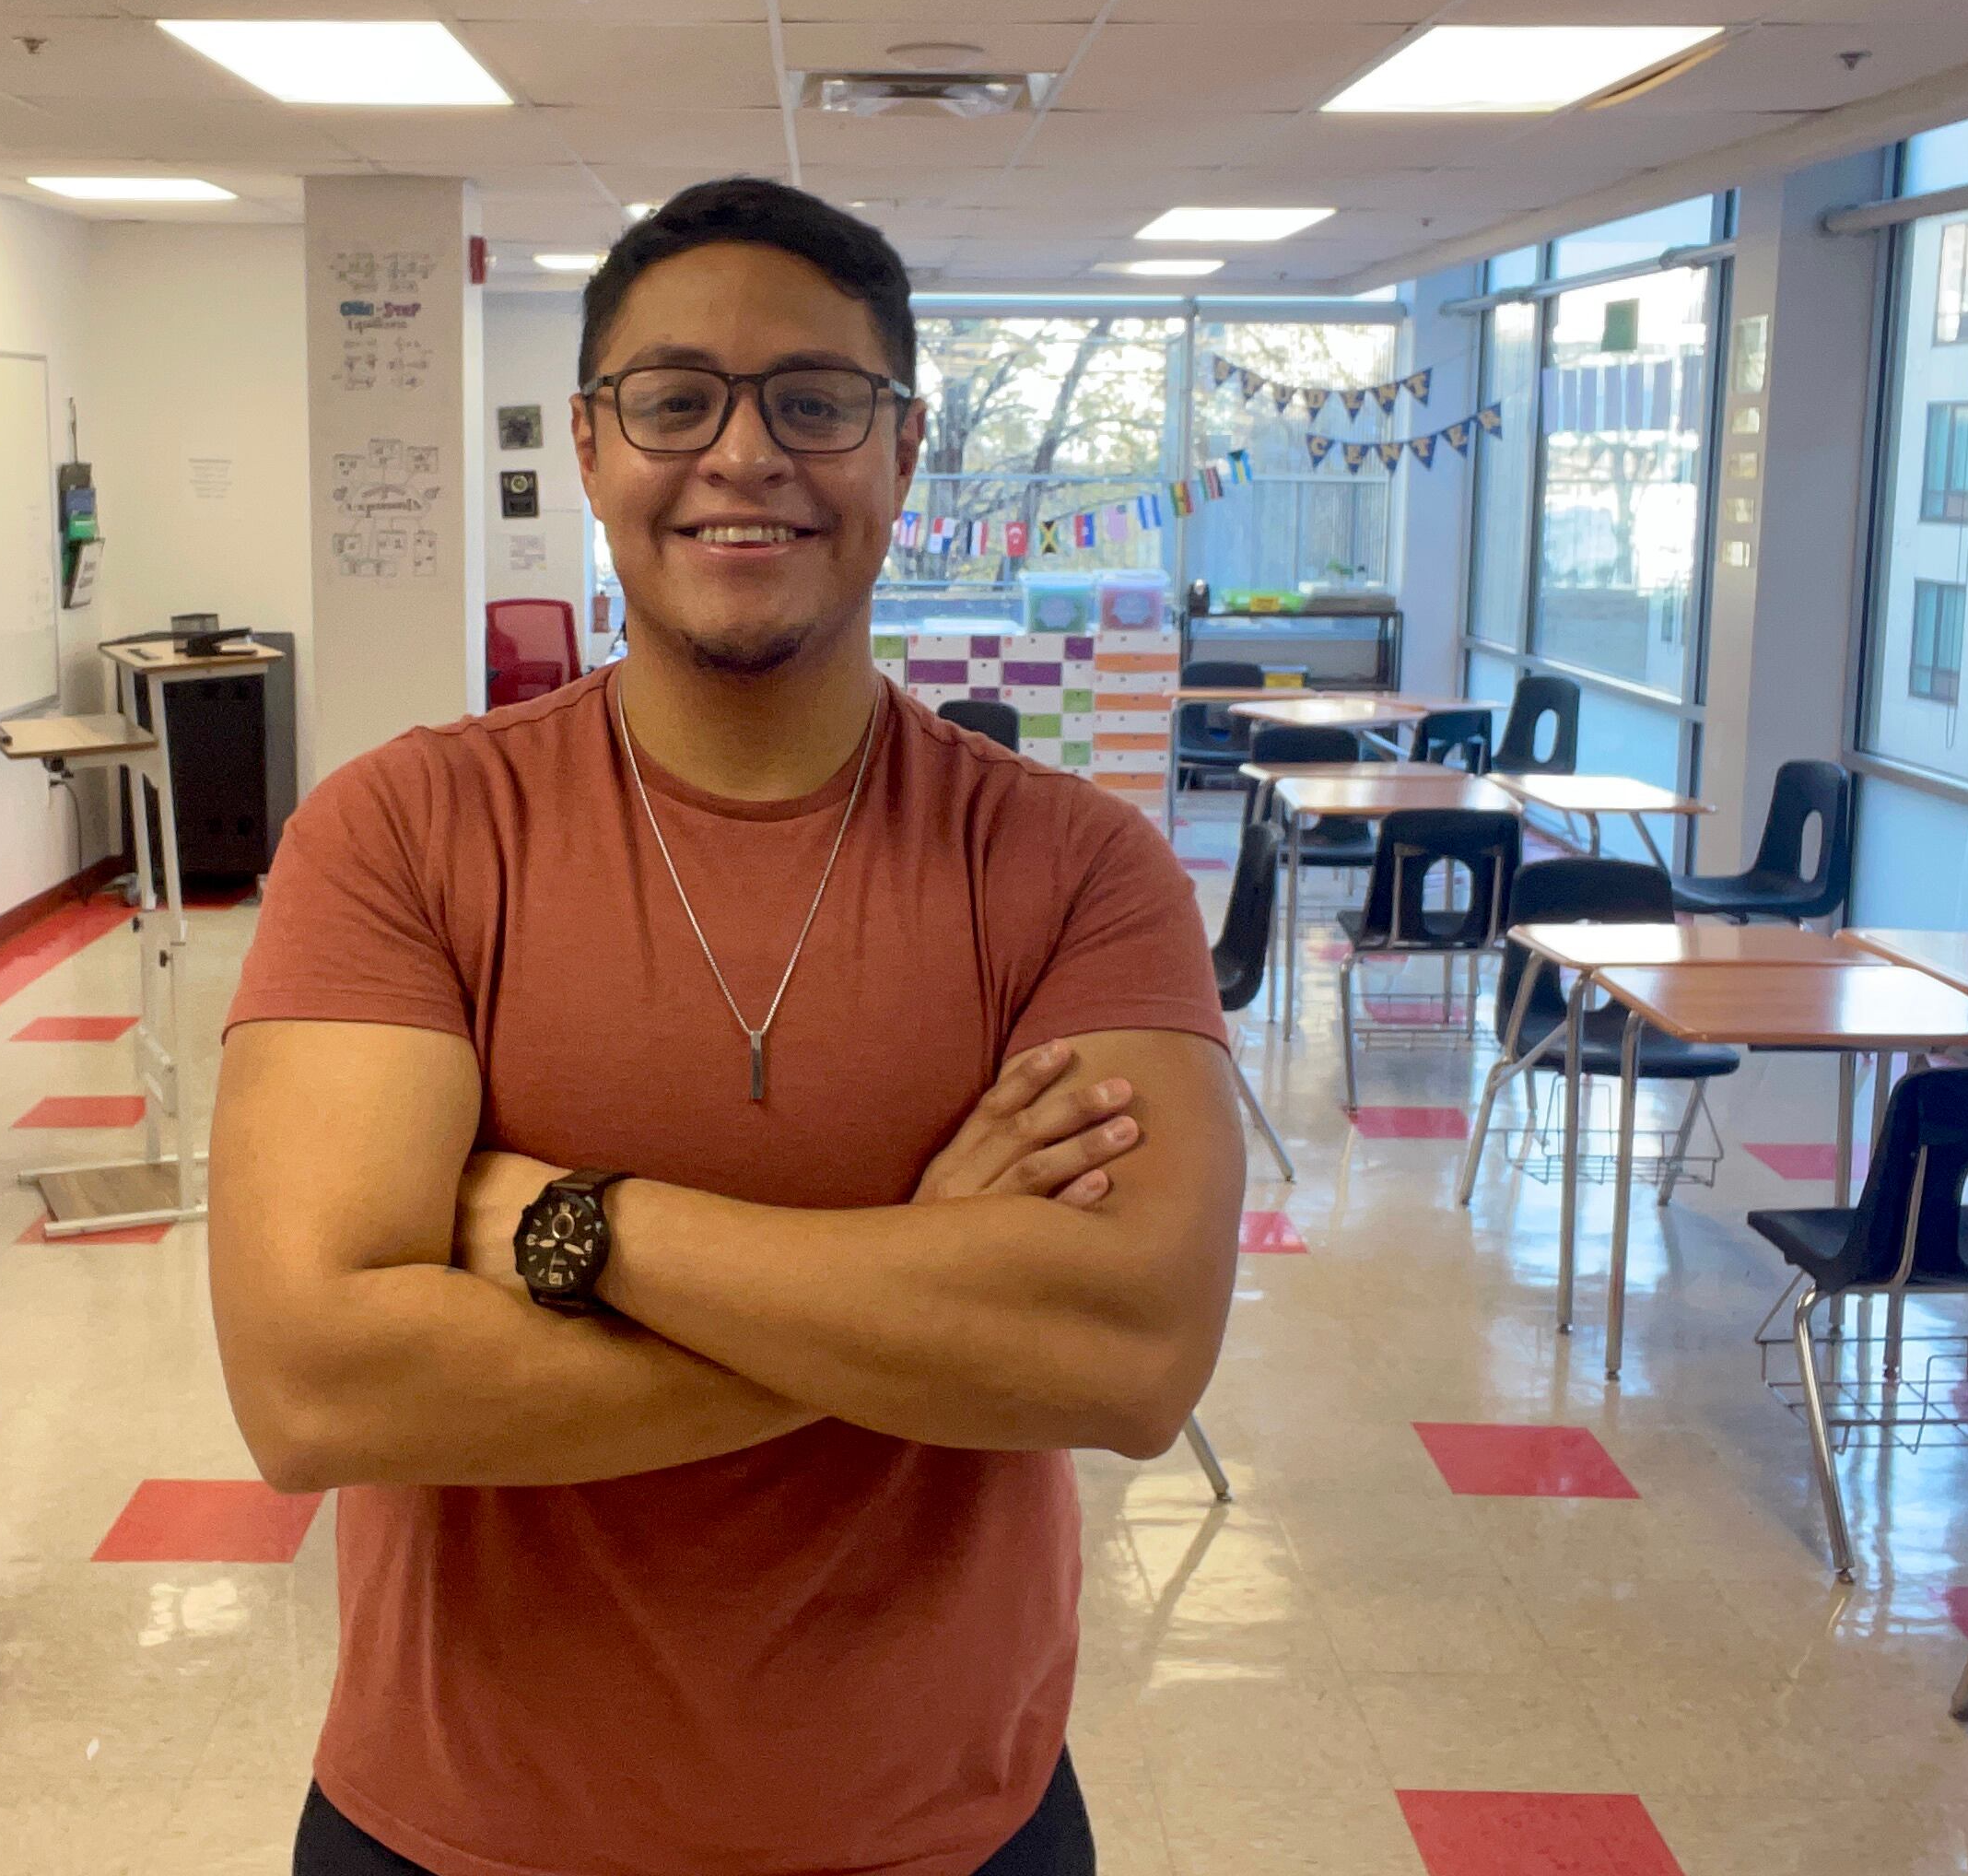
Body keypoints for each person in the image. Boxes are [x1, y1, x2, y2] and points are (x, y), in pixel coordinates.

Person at [214, 176, 1242, 1876]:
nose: (745, 453)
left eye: (816, 401)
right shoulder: (404, 832)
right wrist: (923, 1283)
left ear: (905, 451)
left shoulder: (1072, 867)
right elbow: (319, 1390)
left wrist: (578, 1228)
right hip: (459, 1831)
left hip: (945, 1831)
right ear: (595, 446)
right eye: (677, 399)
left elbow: (1125, 1364)